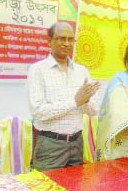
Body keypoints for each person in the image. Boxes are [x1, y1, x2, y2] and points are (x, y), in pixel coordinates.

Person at [27, 22, 100, 171]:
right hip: (50, 145)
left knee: (74, 190)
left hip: (77, 142)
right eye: (61, 38)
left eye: (70, 39)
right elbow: (38, 112)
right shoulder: (37, 70)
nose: (66, 43)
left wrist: (85, 101)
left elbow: (93, 110)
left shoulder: (82, 71)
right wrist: (75, 101)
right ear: (49, 41)